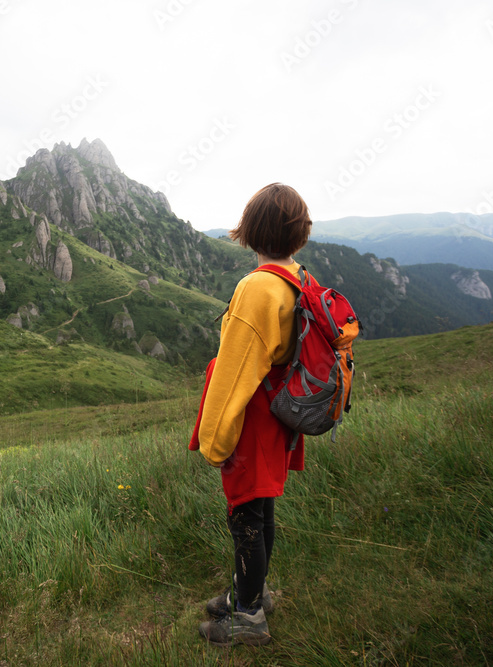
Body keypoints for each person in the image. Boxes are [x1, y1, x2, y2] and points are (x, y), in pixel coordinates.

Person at [189, 183, 312, 646]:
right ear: (299, 233)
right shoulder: (294, 277)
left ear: (253, 230)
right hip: (278, 418)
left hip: (252, 420)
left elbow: (235, 374)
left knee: (245, 518)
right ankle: (251, 592)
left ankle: (248, 617)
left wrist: (216, 441)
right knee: (262, 510)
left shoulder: (257, 287)